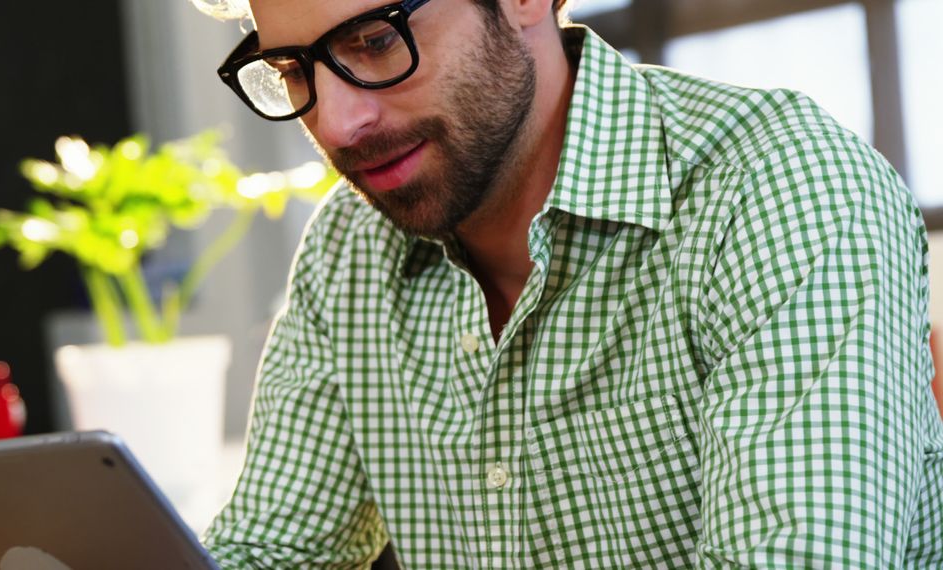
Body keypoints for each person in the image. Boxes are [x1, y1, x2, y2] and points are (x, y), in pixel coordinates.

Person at [199, 0, 943, 566]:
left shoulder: (778, 188)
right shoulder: (350, 247)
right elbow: (268, 548)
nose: (337, 123)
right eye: (295, 72)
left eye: (376, 41)